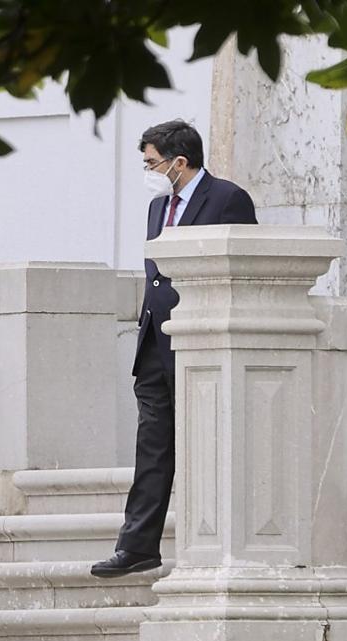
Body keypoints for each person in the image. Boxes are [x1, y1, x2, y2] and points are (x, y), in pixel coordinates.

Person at [91, 119, 258, 578]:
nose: (148, 170)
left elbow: (242, 271)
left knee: (209, 447)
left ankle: (223, 543)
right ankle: (138, 545)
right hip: (154, 345)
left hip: (201, 342)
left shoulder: (228, 199)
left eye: (152, 162)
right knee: (152, 448)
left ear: (179, 162)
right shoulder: (156, 206)